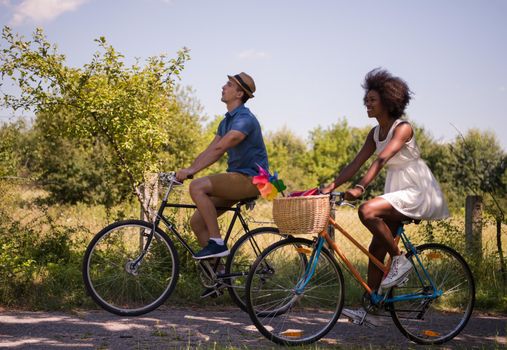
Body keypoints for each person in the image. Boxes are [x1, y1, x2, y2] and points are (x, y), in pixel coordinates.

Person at [321, 68, 449, 325]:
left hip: (416, 189)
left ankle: (401, 260)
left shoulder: (403, 128)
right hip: (397, 189)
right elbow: (356, 163)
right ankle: (371, 309)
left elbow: (382, 158)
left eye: (372, 100)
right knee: (375, 249)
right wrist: (329, 186)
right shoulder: (374, 133)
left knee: (367, 210)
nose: (366, 104)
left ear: (388, 102)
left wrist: (361, 187)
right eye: (365, 100)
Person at [176, 72, 268, 263]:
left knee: (197, 186)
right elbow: (210, 149)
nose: (223, 87)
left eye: (229, 85)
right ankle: (218, 277)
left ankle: (217, 243)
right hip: (238, 177)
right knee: (197, 223)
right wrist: (187, 169)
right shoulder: (226, 121)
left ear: (239, 94)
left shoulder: (245, 119)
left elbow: (219, 149)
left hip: (255, 180)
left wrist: (192, 173)